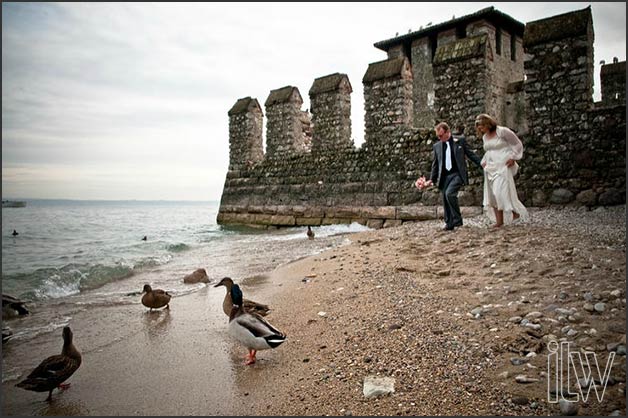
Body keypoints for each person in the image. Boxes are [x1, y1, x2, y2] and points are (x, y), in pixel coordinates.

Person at [416, 122, 483, 231]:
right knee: (445, 199)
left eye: (441, 135)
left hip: (457, 174)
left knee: (450, 194)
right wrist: (431, 180)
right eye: (438, 136)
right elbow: (435, 165)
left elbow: (470, 154)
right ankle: (449, 223)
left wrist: (481, 164)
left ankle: (457, 220)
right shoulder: (437, 146)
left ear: (448, 132)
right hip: (444, 176)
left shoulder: (460, 141)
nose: (439, 138)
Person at [474, 114, 529, 228]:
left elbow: (517, 143)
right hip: (490, 167)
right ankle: (499, 221)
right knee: (492, 194)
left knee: (500, 191)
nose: (480, 129)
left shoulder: (502, 131)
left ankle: (515, 212)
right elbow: (489, 151)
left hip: (502, 165)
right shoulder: (485, 137)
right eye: (479, 128)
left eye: (481, 126)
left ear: (487, 124)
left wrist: (513, 157)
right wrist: (483, 161)